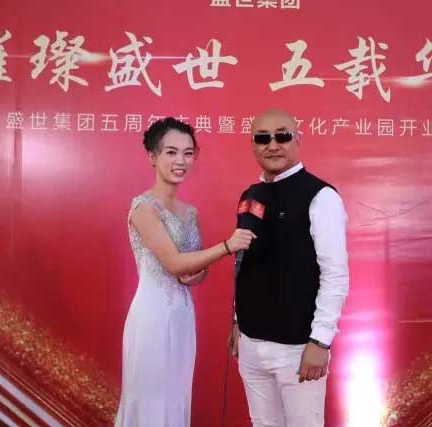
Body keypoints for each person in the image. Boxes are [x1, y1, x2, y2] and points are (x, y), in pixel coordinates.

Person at [115, 117, 254, 427]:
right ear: (152, 156)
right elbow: (176, 263)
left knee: (176, 397)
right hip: (151, 317)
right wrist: (227, 246)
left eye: (188, 153)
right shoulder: (143, 208)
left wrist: (197, 273)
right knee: (150, 399)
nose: (181, 161)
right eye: (171, 152)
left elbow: (195, 268)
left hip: (182, 317)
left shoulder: (190, 212)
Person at [229, 108, 349, 427]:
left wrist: (320, 341)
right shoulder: (250, 195)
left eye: (282, 135)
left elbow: (335, 275)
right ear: (253, 144)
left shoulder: (321, 196)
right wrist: (238, 320)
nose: (273, 145)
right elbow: (245, 262)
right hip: (251, 345)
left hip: (298, 347)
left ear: (297, 139)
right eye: (262, 138)